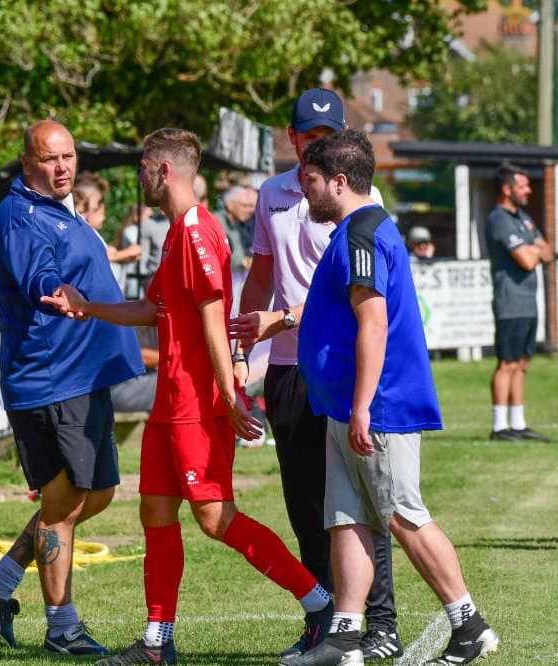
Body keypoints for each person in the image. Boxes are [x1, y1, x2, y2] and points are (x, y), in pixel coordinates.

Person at [42, 127, 332, 666]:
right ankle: (158, 642)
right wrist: (88, 306)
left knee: (216, 518)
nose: (139, 177)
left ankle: (320, 604)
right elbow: (153, 309)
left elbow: (211, 316)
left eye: (143, 168)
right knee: (154, 510)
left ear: (164, 170)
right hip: (169, 404)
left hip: (196, 405)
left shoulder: (198, 231)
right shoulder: (177, 231)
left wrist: (228, 391)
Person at [289, 129, 498, 666]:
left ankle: (469, 625)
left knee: (403, 515)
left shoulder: (361, 234)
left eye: (311, 180)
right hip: (344, 405)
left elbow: (374, 323)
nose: (304, 189)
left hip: (374, 408)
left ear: (339, 182)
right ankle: (344, 638)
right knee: (347, 518)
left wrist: (363, 406)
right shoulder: (355, 230)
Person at [231, 87, 401, 661]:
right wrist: (241, 349)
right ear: (293, 137)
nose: (318, 145)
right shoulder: (271, 194)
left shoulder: (361, 196)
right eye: (310, 136)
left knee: (360, 502)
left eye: (329, 136)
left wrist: (280, 318)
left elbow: (349, 295)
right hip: (286, 368)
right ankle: (324, 622)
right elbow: (261, 275)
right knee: (305, 506)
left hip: (339, 366)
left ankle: (379, 626)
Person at [0, 119, 144, 655]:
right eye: (49, 158)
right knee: (63, 504)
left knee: (96, 494)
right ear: (27, 164)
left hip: (83, 375)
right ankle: (62, 629)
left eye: (68, 156)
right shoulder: (19, 217)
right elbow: (38, 276)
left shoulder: (59, 208)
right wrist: (57, 291)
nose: (62, 167)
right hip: (51, 378)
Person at [485, 162, 552, 441]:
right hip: (510, 303)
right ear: (507, 189)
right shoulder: (498, 219)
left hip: (528, 302)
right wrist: (535, 249)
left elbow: (548, 252)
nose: (528, 191)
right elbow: (527, 260)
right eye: (523, 186)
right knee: (507, 363)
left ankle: (518, 423)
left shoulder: (523, 217)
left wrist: (535, 249)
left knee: (522, 362)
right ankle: (500, 426)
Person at [73, 171, 142, 285]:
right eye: (97, 203)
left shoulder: (88, 231)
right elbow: (100, 256)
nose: (98, 207)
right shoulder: (75, 230)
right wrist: (128, 252)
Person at [213, 185, 258, 312]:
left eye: (251, 206)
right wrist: (242, 261)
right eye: (245, 206)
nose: (251, 210)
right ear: (230, 205)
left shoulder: (235, 222)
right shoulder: (217, 222)